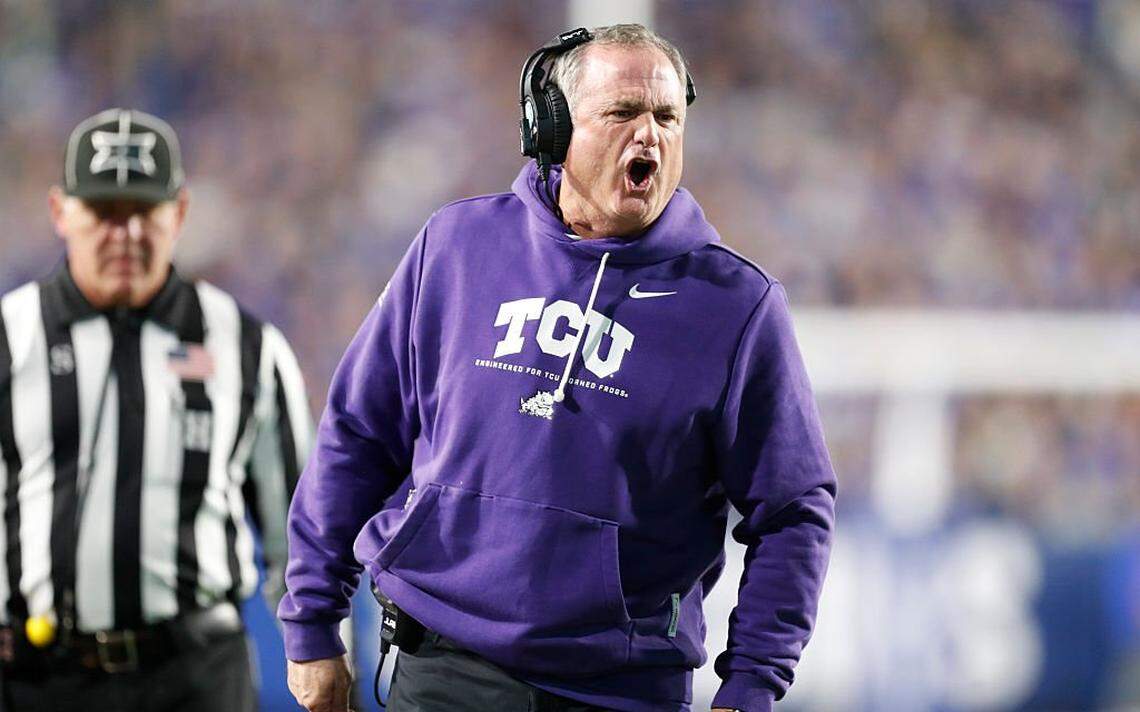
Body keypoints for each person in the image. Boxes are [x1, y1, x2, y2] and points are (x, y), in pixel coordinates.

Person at [281, 24, 835, 712]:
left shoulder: (736, 307)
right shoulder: (455, 248)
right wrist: (311, 616)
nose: (650, 136)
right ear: (552, 128)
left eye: (667, 117)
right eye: (622, 112)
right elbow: (359, 435)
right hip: (445, 669)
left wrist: (753, 684)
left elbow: (792, 512)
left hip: (621, 691)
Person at [0, 108, 312, 711]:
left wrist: (325, 651)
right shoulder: (10, 338)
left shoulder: (246, 346)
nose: (126, 235)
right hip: (35, 680)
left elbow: (298, 533)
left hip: (194, 676)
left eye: (144, 212)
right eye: (104, 214)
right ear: (61, 212)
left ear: (180, 213)